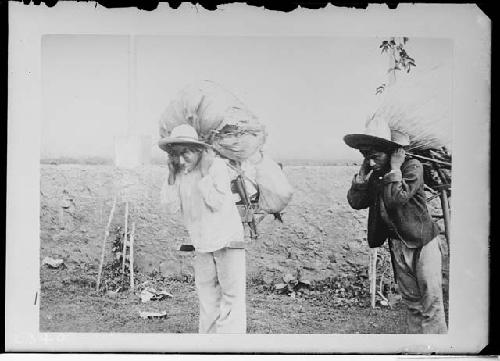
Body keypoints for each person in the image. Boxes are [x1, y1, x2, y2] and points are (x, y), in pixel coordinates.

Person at [343, 117, 448, 334]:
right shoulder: (376, 175)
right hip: (398, 244)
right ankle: (418, 346)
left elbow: (395, 199)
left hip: (422, 242)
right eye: (366, 158)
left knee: (431, 298)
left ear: (392, 153)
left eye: (375, 156)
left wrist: (395, 168)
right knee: (411, 300)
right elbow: (356, 203)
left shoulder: (412, 167)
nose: (370, 162)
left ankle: (437, 348)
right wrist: (360, 182)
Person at [159, 124, 246, 334]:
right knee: (207, 296)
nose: (181, 159)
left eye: (186, 152)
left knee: (231, 296)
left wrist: (205, 174)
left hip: (227, 239)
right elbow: (169, 207)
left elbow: (216, 202)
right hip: (202, 242)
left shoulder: (216, 167)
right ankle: (207, 346)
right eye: (176, 154)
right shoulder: (178, 173)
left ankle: (231, 348)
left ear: (198, 150)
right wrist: (171, 176)